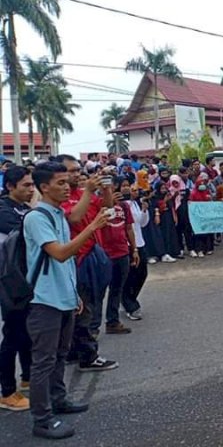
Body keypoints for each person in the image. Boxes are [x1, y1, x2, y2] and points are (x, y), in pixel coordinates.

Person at [25, 161, 109, 439]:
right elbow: (60, 253)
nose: (66, 186)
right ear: (44, 186)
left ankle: (58, 400)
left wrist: (73, 294)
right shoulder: (36, 218)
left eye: (67, 181)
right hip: (43, 300)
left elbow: (73, 226)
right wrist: (92, 227)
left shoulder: (58, 213)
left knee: (60, 356)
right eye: (60, 183)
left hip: (63, 297)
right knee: (43, 361)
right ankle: (42, 418)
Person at [57, 155, 118, 372]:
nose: (76, 174)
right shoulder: (61, 197)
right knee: (83, 307)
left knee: (90, 301)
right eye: (71, 171)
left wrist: (107, 189)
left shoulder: (81, 193)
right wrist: (89, 191)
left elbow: (107, 211)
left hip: (92, 252)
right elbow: (73, 218)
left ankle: (75, 350)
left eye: (77, 170)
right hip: (75, 257)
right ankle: (88, 356)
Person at [0, 167, 34, 411]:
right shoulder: (4, 210)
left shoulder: (26, 208)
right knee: (12, 334)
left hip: (26, 278)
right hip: (9, 280)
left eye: (33, 185)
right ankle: (7, 391)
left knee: (26, 331)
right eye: (25, 186)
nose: (31, 189)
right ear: (10, 186)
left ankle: (28, 378)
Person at [94, 177, 139, 335]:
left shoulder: (125, 206)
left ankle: (112, 322)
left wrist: (134, 249)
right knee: (99, 291)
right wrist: (108, 203)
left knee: (117, 289)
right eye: (108, 186)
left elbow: (129, 228)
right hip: (104, 254)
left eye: (114, 186)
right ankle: (93, 327)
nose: (112, 189)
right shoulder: (96, 204)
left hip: (122, 252)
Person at [122, 184, 149, 320]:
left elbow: (142, 223)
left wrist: (144, 211)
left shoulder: (136, 204)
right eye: (127, 187)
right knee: (130, 275)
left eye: (134, 189)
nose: (133, 191)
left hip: (139, 241)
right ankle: (130, 305)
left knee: (142, 273)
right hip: (127, 244)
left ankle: (129, 298)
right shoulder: (122, 205)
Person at [190, 177, 215, 257]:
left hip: (206, 216)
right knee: (198, 234)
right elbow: (191, 204)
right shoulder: (193, 193)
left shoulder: (206, 192)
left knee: (206, 233)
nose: (202, 185)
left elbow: (210, 202)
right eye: (200, 184)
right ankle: (199, 249)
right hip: (197, 217)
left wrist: (210, 198)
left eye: (203, 184)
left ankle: (206, 248)